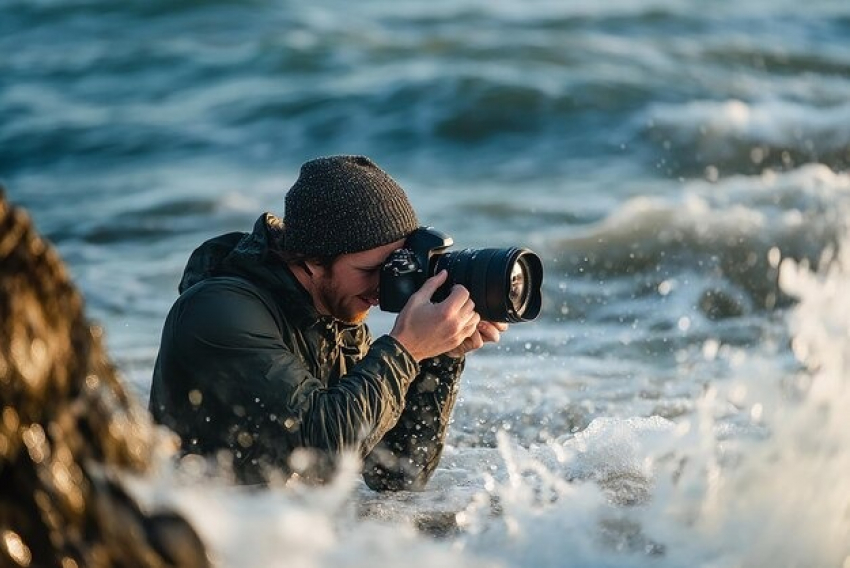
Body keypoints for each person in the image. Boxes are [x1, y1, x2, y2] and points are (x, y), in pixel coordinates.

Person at [149, 155, 508, 490]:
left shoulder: (334, 320)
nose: (384, 287)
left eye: (395, 267)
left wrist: (439, 354)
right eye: (370, 270)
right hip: (192, 531)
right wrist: (406, 349)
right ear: (313, 261)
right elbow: (325, 454)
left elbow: (397, 472)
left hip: (266, 531)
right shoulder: (219, 311)